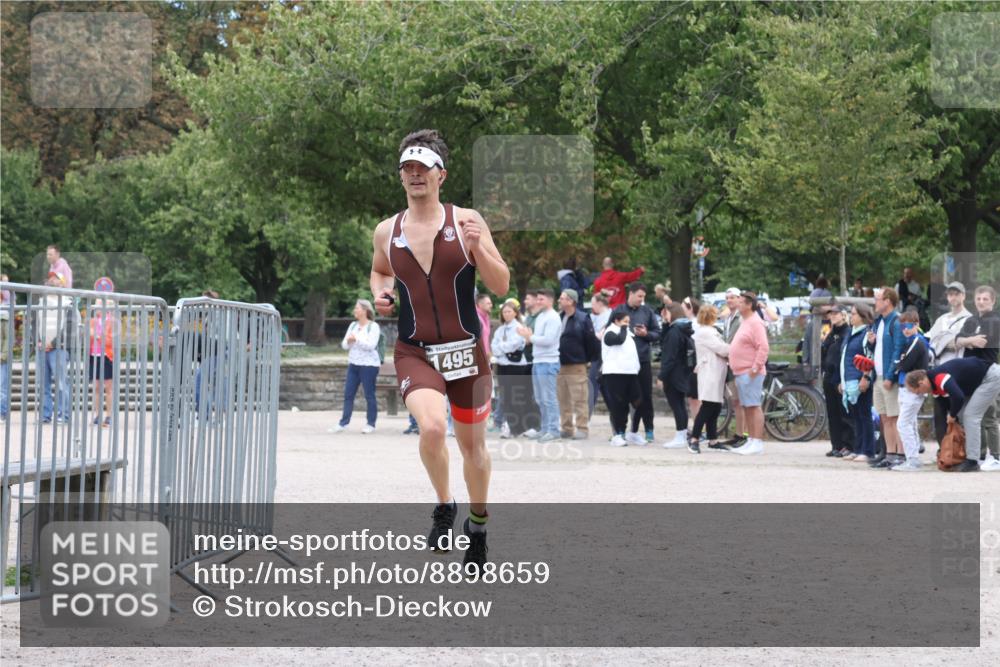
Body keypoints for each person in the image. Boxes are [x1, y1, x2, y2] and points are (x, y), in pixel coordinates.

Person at [369, 129, 510, 573]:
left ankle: (479, 526)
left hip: (465, 352)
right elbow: (379, 272)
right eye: (407, 169)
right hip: (416, 350)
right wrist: (382, 292)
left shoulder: (467, 219)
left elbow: (501, 284)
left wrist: (477, 250)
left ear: (440, 175)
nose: (414, 176)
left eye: (422, 169)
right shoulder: (386, 230)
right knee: (431, 428)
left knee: (474, 450)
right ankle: (444, 505)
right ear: (401, 176)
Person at [907, 358, 1000, 472]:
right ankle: (965, 456)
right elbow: (944, 407)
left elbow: (958, 397)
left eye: (917, 391)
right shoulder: (934, 388)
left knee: (971, 416)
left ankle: (973, 461)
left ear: (921, 383)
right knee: (962, 417)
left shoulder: (939, 378)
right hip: (977, 382)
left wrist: (952, 414)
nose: (919, 394)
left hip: (990, 377)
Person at [955, 285, 1000, 464]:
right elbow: (957, 341)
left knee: (988, 417)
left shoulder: (995, 320)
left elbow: (982, 343)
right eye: (979, 299)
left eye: (985, 299)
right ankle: (980, 455)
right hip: (972, 374)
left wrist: (967, 340)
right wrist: (970, 340)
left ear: (993, 301)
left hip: (987, 372)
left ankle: (996, 456)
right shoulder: (971, 320)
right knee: (973, 415)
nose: (981, 302)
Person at [926, 281, 972, 443]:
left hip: (958, 373)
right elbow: (930, 340)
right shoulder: (942, 319)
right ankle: (942, 452)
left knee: (958, 414)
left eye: (956, 294)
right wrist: (947, 340)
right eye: (950, 294)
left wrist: (945, 340)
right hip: (939, 371)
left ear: (963, 296)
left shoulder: (969, 319)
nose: (953, 297)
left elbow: (959, 343)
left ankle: (959, 453)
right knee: (939, 414)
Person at [329, 300, 382, 434]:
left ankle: (371, 424)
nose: (354, 310)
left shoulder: (373, 326)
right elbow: (344, 345)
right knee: (348, 394)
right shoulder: (353, 325)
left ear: (365, 311)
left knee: (369, 395)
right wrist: (349, 341)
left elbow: (371, 345)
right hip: (353, 364)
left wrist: (356, 340)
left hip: (369, 366)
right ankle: (343, 423)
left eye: (357, 308)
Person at [867, 287, 905, 468]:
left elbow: (898, 350)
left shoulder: (896, 322)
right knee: (884, 418)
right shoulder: (879, 322)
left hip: (889, 378)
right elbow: (879, 351)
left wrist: (891, 375)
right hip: (878, 377)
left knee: (895, 417)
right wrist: (871, 342)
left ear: (888, 301)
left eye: (878, 299)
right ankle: (890, 454)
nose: (875, 302)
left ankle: (901, 454)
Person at [728, 291, 769, 455]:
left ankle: (757, 441)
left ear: (749, 305)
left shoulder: (755, 323)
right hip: (741, 372)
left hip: (750, 372)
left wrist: (755, 368)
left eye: (741, 302)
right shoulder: (745, 321)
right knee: (747, 407)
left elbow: (763, 347)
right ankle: (751, 439)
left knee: (753, 407)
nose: (737, 304)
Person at [518, 288, 561, 442]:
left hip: (548, 362)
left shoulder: (553, 317)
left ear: (550, 300)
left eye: (541, 299)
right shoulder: (541, 316)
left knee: (549, 398)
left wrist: (530, 336)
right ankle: (544, 428)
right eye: (538, 299)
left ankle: (554, 430)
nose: (538, 302)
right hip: (538, 360)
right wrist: (528, 337)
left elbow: (548, 340)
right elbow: (536, 339)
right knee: (540, 398)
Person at [556, 288, 599, 440]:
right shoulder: (559, 317)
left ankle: (582, 429)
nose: (559, 300)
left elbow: (591, 340)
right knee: (563, 398)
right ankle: (566, 428)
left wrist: (586, 359)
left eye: (562, 298)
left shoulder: (582, 318)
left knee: (580, 398)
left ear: (571, 301)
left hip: (577, 364)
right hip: (560, 363)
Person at [891, 309, 931, 471]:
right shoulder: (910, 341)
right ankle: (913, 457)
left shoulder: (918, 341)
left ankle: (912, 459)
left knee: (903, 423)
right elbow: (900, 362)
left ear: (916, 324)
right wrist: (898, 362)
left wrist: (898, 363)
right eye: (902, 327)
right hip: (906, 387)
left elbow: (904, 364)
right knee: (910, 422)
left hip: (914, 388)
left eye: (908, 325)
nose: (905, 329)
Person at [623, 283, 661, 444]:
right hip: (623, 361)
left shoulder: (647, 311)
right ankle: (620, 430)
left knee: (645, 396)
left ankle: (649, 430)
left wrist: (646, 334)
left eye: (643, 297)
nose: (641, 299)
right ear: (630, 294)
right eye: (639, 296)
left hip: (642, 360)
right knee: (623, 398)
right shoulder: (619, 311)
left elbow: (657, 333)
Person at [690, 305, 730, 452]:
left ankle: (712, 440)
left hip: (715, 373)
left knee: (715, 407)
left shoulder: (709, 331)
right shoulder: (706, 332)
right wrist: (738, 347)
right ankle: (694, 439)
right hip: (710, 372)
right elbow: (722, 349)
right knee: (707, 407)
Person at [38, 273, 76, 424]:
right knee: (43, 385)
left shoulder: (69, 303)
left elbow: (68, 327)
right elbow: (36, 324)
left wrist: (52, 343)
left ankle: (63, 414)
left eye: (55, 278)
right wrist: (39, 341)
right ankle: (45, 415)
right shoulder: (42, 302)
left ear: (62, 283)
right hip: (43, 348)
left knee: (61, 383)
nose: (51, 280)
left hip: (59, 348)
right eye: (50, 278)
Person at [840, 305, 876, 463]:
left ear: (862, 316)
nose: (850, 316)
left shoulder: (866, 333)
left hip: (860, 379)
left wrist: (865, 378)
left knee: (865, 415)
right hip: (849, 380)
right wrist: (842, 381)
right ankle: (858, 448)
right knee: (856, 416)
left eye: (853, 314)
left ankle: (868, 451)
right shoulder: (850, 333)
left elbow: (869, 357)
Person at [601, 308, 642, 447]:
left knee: (639, 402)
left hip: (630, 373)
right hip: (614, 373)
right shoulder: (609, 332)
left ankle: (633, 432)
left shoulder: (628, 333)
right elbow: (617, 341)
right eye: (625, 322)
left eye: (628, 322)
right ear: (616, 321)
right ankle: (618, 434)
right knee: (618, 405)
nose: (627, 324)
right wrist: (624, 329)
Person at [658, 303, 695, 449]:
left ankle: (680, 436)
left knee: (677, 405)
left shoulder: (675, 332)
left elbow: (669, 357)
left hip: (674, 374)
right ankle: (682, 434)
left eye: (666, 312)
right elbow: (663, 340)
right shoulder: (680, 328)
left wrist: (661, 376)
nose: (664, 315)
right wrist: (665, 323)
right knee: (680, 405)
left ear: (671, 313)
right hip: (682, 372)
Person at [491, 299, 529, 438]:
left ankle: (517, 427)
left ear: (515, 313)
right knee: (505, 397)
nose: (506, 314)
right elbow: (494, 347)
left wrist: (502, 347)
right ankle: (509, 425)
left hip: (516, 367)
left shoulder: (519, 327)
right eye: (504, 312)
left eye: (509, 311)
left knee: (515, 397)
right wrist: (503, 348)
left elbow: (514, 344)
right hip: (503, 366)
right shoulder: (500, 329)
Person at [821, 305, 855, 457]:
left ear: (843, 315)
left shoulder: (847, 332)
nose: (833, 316)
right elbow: (826, 351)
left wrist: (842, 378)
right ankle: (836, 444)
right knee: (832, 413)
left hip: (840, 378)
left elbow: (844, 356)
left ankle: (848, 445)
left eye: (836, 313)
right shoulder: (831, 333)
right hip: (829, 377)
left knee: (844, 413)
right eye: (831, 314)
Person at [89, 277, 118, 427]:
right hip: (94, 355)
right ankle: (98, 415)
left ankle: (109, 415)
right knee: (97, 387)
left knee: (108, 387)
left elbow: (110, 340)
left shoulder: (112, 321)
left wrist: (97, 336)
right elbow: (88, 336)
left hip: (107, 355)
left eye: (100, 305)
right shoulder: (93, 321)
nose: (97, 308)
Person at [518, 289, 543, 438]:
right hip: (526, 360)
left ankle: (539, 425)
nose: (525, 302)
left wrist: (528, 338)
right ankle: (533, 425)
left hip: (537, 359)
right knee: (528, 394)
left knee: (538, 395)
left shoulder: (540, 318)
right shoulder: (528, 318)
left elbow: (530, 338)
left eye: (528, 299)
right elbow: (524, 338)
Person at [587, 293, 612, 417]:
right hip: (597, 355)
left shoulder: (609, 316)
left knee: (593, 385)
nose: (592, 307)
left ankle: (585, 419)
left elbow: (599, 336)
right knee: (603, 388)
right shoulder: (597, 316)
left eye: (593, 304)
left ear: (600, 303)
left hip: (604, 356)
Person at [681, 296, 702, 418]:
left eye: (683, 305)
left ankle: (699, 429)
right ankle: (697, 427)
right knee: (692, 399)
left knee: (695, 399)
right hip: (691, 365)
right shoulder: (690, 323)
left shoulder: (694, 324)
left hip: (695, 365)